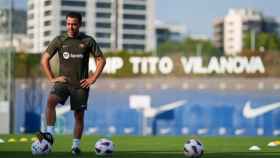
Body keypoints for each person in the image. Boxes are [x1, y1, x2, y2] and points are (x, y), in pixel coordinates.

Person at [40, 12, 106, 155]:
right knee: (51, 101)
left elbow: (101, 60)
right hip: (63, 82)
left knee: (79, 116)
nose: (71, 27)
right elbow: (44, 59)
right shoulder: (59, 40)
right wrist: (52, 78)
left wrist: (93, 78)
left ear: (79, 24)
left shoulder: (88, 41)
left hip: (81, 86)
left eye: (74, 24)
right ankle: (49, 135)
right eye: (68, 23)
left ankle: (75, 146)